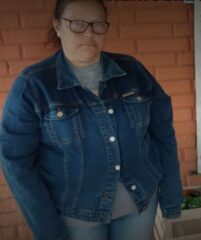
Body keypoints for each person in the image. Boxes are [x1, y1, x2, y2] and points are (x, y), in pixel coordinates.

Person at [0, 0, 183, 239]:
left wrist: (171, 195)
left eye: (98, 25)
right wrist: (47, 229)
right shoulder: (34, 85)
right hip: (76, 216)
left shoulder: (133, 72)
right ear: (58, 26)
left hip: (139, 206)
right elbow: (16, 163)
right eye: (77, 24)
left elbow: (163, 136)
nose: (88, 33)